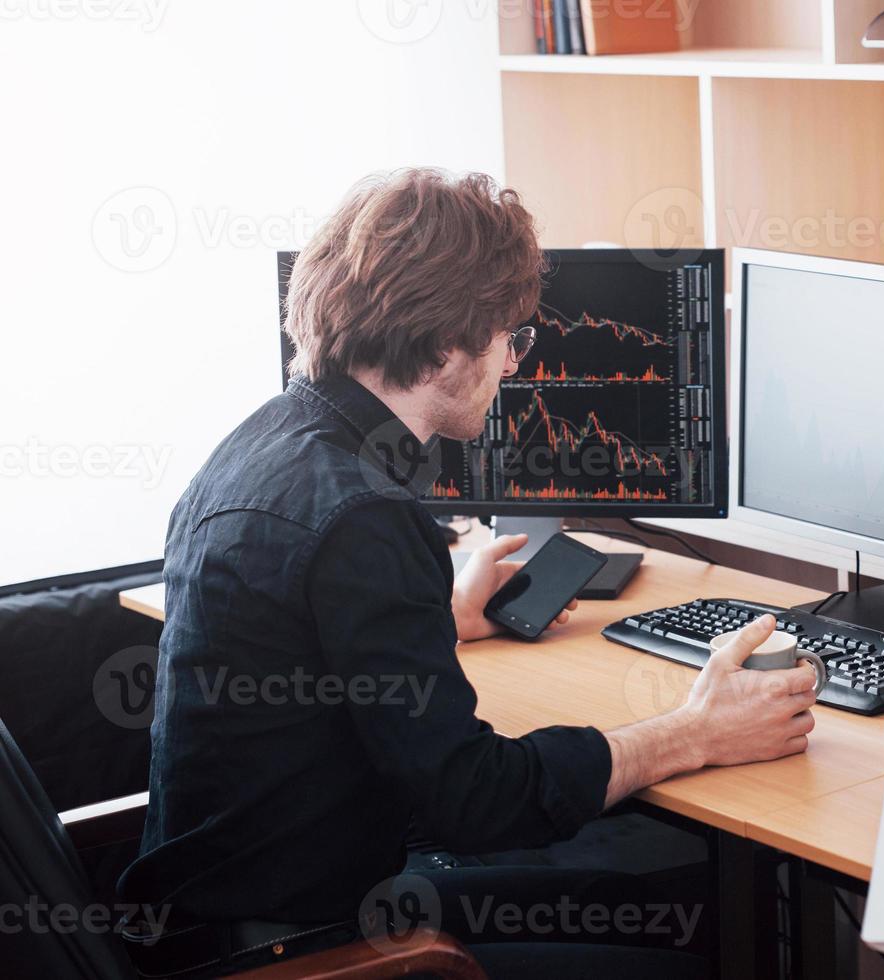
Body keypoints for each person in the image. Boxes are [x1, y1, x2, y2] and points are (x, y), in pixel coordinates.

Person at [117, 168, 817, 978]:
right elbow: (478, 801)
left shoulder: (258, 444)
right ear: (447, 344)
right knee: (690, 957)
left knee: (660, 903)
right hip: (306, 946)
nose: (515, 365)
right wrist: (692, 733)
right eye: (510, 337)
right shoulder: (364, 515)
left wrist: (442, 617)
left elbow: (295, 642)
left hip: (223, 909)